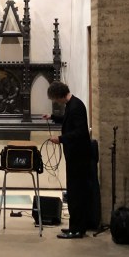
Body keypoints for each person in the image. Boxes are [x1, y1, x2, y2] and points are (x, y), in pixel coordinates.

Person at [45, 80, 100, 238]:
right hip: (75, 156)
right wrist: (53, 117)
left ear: (59, 95)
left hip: (79, 157)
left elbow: (81, 132)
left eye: (55, 99)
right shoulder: (72, 104)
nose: (56, 102)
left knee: (77, 193)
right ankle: (74, 226)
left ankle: (77, 229)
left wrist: (60, 139)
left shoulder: (76, 106)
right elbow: (68, 120)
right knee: (73, 192)